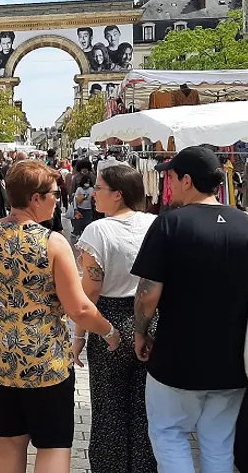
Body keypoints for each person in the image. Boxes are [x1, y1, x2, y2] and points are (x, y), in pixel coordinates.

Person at [0, 161, 120, 473]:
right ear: (35, 198)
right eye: (54, 194)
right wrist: (109, 331)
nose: (59, 199)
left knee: (9, 436)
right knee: (53, 442)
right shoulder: (52, 243)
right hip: (42, 363)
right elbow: (79, 308)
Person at [130, 147, 248, 472]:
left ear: (186, 179)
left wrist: (140, 331)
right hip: (232, 359)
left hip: (176, 357)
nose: (168, 183)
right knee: (219, 442)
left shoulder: (170, 224)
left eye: (171, 176)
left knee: (170, 435)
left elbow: (148, 295)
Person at [73, 165, 157, 473]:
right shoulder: (155, 224)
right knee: (144, 407)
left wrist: (79, 336)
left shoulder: (98, 231)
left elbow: (91, 291)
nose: (93, 193)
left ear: (117, 194)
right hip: (150, 318)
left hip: (108, 318)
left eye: (99, 188)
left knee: (109, 408)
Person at [71, 172, 94, 241]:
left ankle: (86, 237)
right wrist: (75, 208)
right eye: (86, 182)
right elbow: (75, 199)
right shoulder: (79, 189)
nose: (87, 183)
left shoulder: (91, 189)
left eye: (88, 182)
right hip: (80, 209)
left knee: (87, 223)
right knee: (78, 223)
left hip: (88, 209)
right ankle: (78, 234)